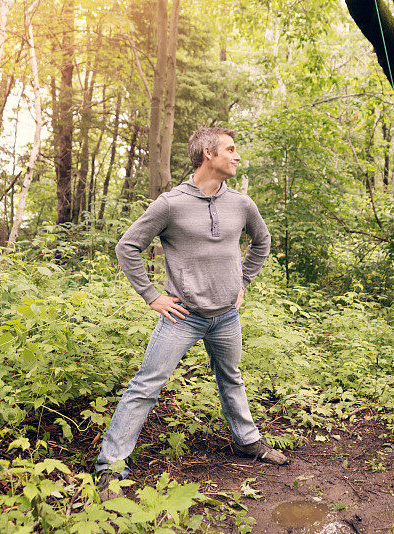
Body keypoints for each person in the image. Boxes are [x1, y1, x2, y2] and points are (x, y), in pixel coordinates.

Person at [96, 126, 289, 498]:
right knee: (146, 386)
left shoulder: (242, 204)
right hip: (182, 316)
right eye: (230, 149)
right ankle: (110, 468)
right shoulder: (171, 204)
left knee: (231, 378)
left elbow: (261, 241)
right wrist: (152, 296)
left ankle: (248, 441)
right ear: (208, 154)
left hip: (226, 317)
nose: (237, 156)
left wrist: (242, 281)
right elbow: (128, 247)